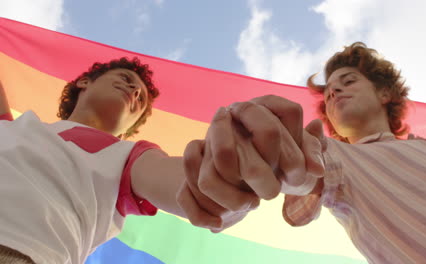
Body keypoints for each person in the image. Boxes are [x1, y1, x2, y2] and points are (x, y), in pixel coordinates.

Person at [0, 57, 319, 264]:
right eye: (126, 78)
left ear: (132, 126)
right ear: (84, 82)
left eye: (140, 99)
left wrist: (230, 169)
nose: (134, 92)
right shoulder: (10, 124)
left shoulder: (126, 156)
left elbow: (187, 186)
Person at [178, 43, 426, 263]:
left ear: (385, 94)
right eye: (329, 93)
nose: (335, 92)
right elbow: (305, 168)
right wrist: (260, 157)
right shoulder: (335, 157)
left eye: (349, 81)